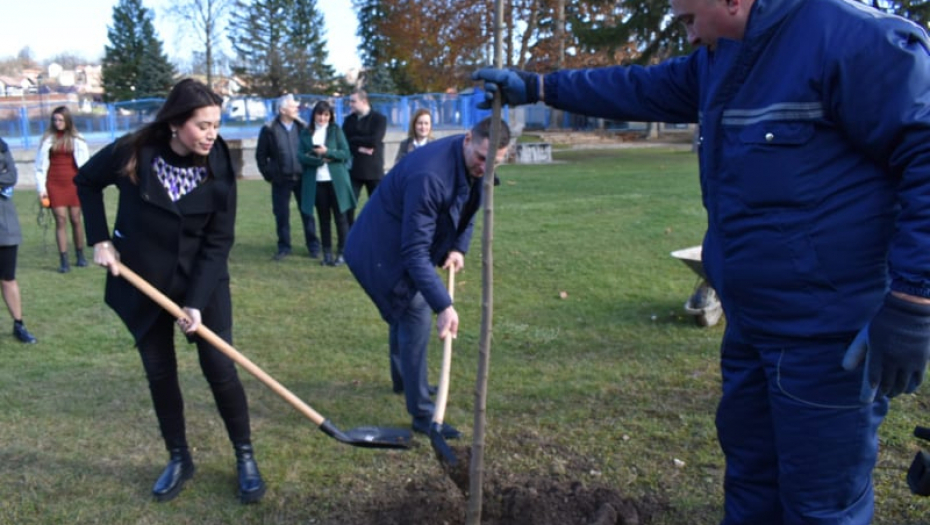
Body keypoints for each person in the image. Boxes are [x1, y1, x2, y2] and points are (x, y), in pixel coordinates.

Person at [474, 0, 930, 523]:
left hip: (827, 341)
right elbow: (637, 87)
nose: (688, 37)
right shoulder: (723, 57)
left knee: (820, 507)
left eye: (689, 20)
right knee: (751, 487)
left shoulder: (851, 40)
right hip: (751, 328)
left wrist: (914, 298)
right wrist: (538, 88)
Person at [74, 79, 266, 504]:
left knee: (220, 369)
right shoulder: (134, 152)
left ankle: (245, 456)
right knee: (160, 373)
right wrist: (100, 239)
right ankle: (179, 458)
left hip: (202, 283)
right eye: (203, 125)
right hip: (143, 281)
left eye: (216, 124)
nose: (212, 133)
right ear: (177, 124)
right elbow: (85, 181)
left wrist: (195, 303)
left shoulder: (219, 164)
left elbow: (219, 241)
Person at [343, 116, 511, 438]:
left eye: (495, 163)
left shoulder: (475, 167)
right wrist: (444, 305)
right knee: (415, 310)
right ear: (467, 140)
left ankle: (404, 379)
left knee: (405, 310)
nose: (486, 168)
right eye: (481, 158)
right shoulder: (430, 176)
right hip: (378, 250)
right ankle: (422, 414)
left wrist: (459, 247)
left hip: (397, 244)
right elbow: (415, 253)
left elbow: (470, 207)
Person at [256, 94, 321, 261]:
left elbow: (311, 150)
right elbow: (261, 156)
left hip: (302, 178)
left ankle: (313, 247)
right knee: (282, 215)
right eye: (293, 106)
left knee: (307, 213)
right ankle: (284, 247)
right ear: (283, 110)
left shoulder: (303, 127)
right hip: (281, 180)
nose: (296, 108)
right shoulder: (269, 129)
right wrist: (269, 175)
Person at [298, 100, 356, 267]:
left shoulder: (335, 130)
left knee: (340, 217)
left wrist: (328, 152)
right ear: (314, 115)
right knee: (323, 218)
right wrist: (318, 159)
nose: (322, 118)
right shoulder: (306, 132)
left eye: (326, 115)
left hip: (335, 181)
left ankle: (342, 253)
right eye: (319, 114)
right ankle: (327, 253)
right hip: (317, 182)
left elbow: (346, 153)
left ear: (330, 116)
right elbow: (300, 156)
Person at [34, 106, 90, 273]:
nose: (57, 123)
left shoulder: (77, 139)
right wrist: (41, 189)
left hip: (73, 183)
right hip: (54, 183)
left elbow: (85, 164)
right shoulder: (48, 140)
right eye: (54, 120)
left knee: (75, 219)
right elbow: (40, 167)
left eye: (60, 120)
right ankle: (63, 259)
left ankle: (80, 255)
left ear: (67, 121)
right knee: (60, 220)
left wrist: (86, 183)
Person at [0, 137, 37, 344]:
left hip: (4, 225)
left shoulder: (3, 148)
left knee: (8, 277)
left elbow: (12, 176)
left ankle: (18, 324)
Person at [342, 89, 387, 226]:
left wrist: (354, 139)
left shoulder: (379, 119)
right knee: (348, 207)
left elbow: (374, 140)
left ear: (364, 101)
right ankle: (350, 237)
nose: (351, 104)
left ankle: (377, 237)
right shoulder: (349, 120)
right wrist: (359, 146)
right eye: (350, 101)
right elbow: (344, 142)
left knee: (378, 207)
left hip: (374, 170)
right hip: (354, 170)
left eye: (353, 101)